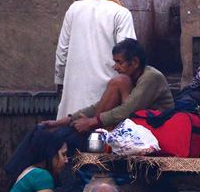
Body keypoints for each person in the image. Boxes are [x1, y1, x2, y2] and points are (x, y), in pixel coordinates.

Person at [54, 0, 137, 120]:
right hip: (105, 102)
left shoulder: (74, 9)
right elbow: (128, 58)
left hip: (74, 98)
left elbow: (62, 52)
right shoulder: (121, 13)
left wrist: (60, 82)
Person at [42, 39, 173, 137]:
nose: (115, 67)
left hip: (158, 128)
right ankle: (93, 136)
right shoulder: (131, 77)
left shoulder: (151, 77)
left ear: (135, 62)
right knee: (118, 82)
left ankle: (92, 135)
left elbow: (127, 110)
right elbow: (99, 106)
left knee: (120, 81)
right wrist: (60, 122)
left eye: (119, 62)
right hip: (141, 126)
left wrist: (91, 123)